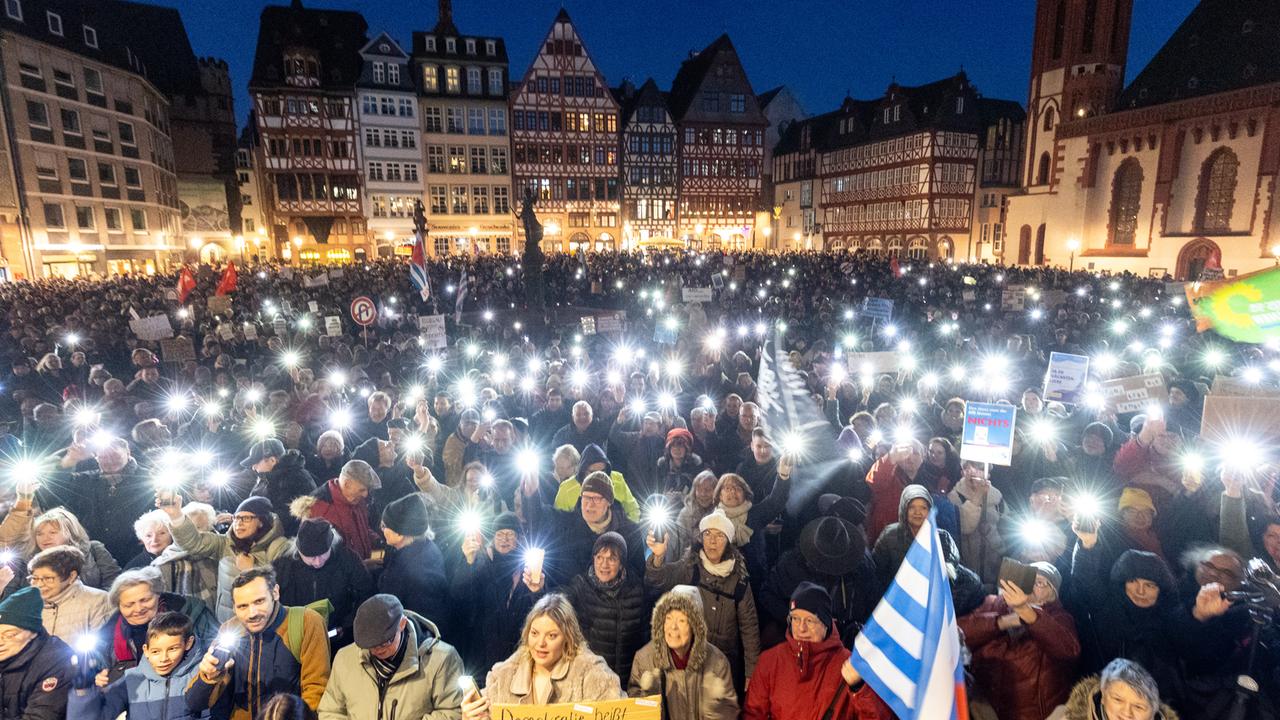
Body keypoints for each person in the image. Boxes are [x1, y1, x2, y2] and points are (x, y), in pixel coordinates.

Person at [186, 568, 331, 720]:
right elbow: (194, 703)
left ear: (275, 593)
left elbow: (316, 690)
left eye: (259, 601)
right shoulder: (230, 629)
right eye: (243, 606)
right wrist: (208, 677)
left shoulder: (306, 622)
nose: (252, 613)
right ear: (234, 607)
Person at [645, 508, 759, 694]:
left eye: (719, 535)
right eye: (707, 534)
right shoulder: (690, 566)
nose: (712, 541)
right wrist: (658, 557)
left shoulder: (739, 579)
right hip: (686, 660)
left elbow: (750, 628)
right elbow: (659, 579)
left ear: (728, 541)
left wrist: (751, 672)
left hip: (723, 665)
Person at [744, 583, 893, 720]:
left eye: (809, 620)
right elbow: (753, 714)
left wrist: (859, 688)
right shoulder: (770, 661)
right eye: (795, 619)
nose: (801, 628)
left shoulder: (849, 665)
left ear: (826, 623)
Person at [461, 593, 622, 718]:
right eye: (535, 633)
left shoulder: (593, 676)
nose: (540, 643)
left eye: (551, 636)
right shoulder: (503, 677)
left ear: (568, 637)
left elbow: (623, 713)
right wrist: (469, 717)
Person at [958, 563, 1080, 720]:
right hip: (987, 710)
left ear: (1053, 594)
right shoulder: (995, 604)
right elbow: (957, 633)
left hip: (1034, 714)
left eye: (1040, 583)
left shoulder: (1059, 617)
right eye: (1029, 579)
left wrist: (1027, 612)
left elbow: (1069, 649)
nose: (1032, 586)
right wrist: (1003, 622)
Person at [318, 594, 464, 720]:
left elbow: (453, 712)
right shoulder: (345, 659)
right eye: (370, 645)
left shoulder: (441, 659)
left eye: (385, 642)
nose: (377, 650)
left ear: (402, 624)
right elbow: (330, 711)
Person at [161, 495, 291, 622]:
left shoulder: (278, 546)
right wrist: (176, 515)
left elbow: (283, 587)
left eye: (246, 518)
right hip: (228, 624)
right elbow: (193, 543)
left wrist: (251, 570)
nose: (238, 523)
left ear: (262, 521)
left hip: (264, 621)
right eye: (236, 518)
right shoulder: (226, 543)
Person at [67, 611, 207, 720]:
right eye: (156, 651)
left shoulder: (203, 676)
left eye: (172, 649)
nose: (164, 658)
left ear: (188, 643)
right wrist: (83, 689)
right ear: (146, 650)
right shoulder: (132, 679)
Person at [628, 585, 738, 720]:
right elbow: (635, 714)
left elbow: (730, 712)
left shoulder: (717, 662)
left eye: (681, 620)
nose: (673, 627)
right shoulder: (644, 659)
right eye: (668, 618)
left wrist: (715, 711)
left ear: (695, 627)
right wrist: (650, 702)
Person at [97, 567, 219, 682]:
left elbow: (218, 649)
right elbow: (90, 665)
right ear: (119, 606)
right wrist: (96, 676)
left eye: (145, 600)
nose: (139, 609)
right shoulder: (107, 635)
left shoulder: (192, 613)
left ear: (158, 594)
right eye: (129, 605)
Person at [272, 518, 374, 647]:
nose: (318, 562)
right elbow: (272, 600)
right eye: (311, 557)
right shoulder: (283, 565)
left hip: (339, 634)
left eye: (323, 554)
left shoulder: (347, 559)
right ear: (298, 551)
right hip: (295, 637)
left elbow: (366, 592)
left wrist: (348, 624)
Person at [561, 532, 647, 683]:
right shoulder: (581, 585)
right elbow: (557, 605)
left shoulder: (636, 589)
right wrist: (538, 590)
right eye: (599, 557)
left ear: (621, 564)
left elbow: (645, 637)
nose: (604, 564)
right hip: (590, 680)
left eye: (612, 559)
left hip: (626, 681)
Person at [0, 500, 122, 590]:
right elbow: (11, 595)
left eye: (53, 532)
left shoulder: (94, 550)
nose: (45, 538)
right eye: (39, 533)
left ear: (70, 532)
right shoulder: (24, 559)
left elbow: (114, 583)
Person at [0, 586, 73, 720]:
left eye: (9, 635)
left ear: (33, 633)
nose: (0, 642)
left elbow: (41, 715)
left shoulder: (57, 660)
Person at [377, 494, 449, 627]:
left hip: (415, 633)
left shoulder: (408, 570)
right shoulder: (426, 546)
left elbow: (390, 604)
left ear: (399, 534)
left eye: (384, 526)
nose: (382, 529)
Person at [290, 459, 382, 561]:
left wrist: (378, 543)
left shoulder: (358, 501)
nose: (365, 494)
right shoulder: (318, 510)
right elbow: (320, 559)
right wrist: (359, 568)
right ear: (347, 484)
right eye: (362, 490)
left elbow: (363, 530)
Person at [132, 505, 220, 610]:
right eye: (148, 535)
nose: (155, 540)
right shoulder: (135, 567)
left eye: (162, 533)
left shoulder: (206, 554)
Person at [27, 545, 111, 644]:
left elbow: (104, 647)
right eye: (34, 578)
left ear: (71, 576)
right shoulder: (26, 604)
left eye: (48, 578)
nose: (39, 584)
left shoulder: (98, 600)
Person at [1049, 658, 1179, 720]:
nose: (1127, 713)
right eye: (1118, 700)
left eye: (1138, 707)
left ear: (1153, 712)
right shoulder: (1064, 716)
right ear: (1104, 695)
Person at [242, 439, 318, 537]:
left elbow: (292, 516)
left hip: (286, 539)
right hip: (263, 532)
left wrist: (256, 521)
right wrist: (238, 517)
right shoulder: (264, 478)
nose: (253, 467)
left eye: (256, 462)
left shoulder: (299, 478)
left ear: (272, 460)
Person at [864, 440, 925, 541]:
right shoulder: (889, 476)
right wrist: (891, 457)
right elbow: (874, 481)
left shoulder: (928, 482)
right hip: (885, 540)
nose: (910, 457)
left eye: (915, 453)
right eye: (906, 452)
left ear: (923, 458)